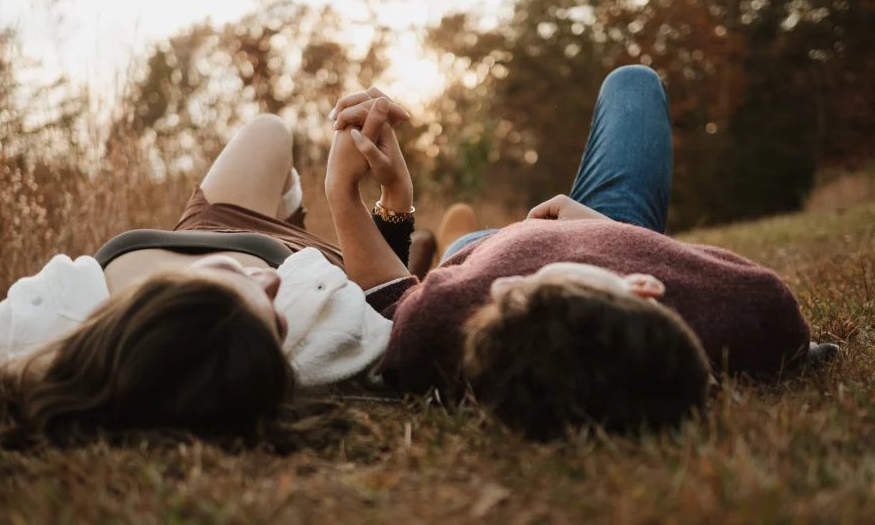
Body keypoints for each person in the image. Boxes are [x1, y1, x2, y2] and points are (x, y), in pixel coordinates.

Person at [326, 66, 819, 439]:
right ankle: (460, 240)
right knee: (633, 82)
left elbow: (386, 297)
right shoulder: (749, 309)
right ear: (642, 288)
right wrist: (601, 229)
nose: (501, 284)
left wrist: (356, 191)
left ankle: (454, 243)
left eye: (501, 304)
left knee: (463, 249)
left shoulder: (447, 316)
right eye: (544, 285)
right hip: (609, 220)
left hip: (471, 258)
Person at [0, 111, 414, 448]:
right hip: (327, 258)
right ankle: (423, 241)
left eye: (229, 278)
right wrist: (386, 198)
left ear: (160, 305)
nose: (272, 285)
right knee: (418, 251)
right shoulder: (315, 336)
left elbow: (2, 349)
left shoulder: (46, 328)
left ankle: (295, 214)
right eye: (275, 322)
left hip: (214, 221)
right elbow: (397, 310)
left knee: (270, 129)